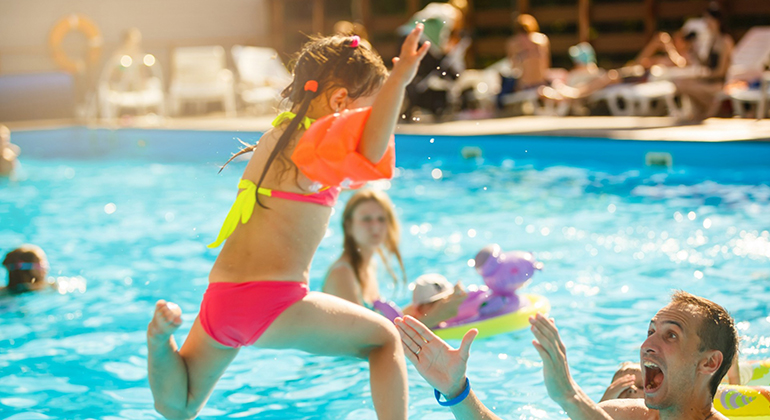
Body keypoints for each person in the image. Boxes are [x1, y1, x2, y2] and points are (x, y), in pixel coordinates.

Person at [147, 27, 431, 420]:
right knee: (384, 339)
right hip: (271, 302)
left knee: (180, 407)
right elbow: (371, 150)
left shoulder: (278, 137)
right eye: (372, 110)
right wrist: (399, 80)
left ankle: (160, 344)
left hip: (221, 299)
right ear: (339, 101)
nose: (375, 121)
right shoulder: (313, 143)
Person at [395, 290, 738, 420]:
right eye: (650, 331)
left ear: (709, 362)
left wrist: (572, 398)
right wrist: (458, 393)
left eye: (670, 336)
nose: (648, 344)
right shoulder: (622, 415)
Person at [322, 189, 465, 327]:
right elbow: (362, 344)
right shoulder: (342, 274)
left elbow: (378, 325)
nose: (375, 226)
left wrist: (426, 308)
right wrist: (437, 316)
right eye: (366, 219)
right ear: (348, 225)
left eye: (381, 219)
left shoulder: (370, 265)